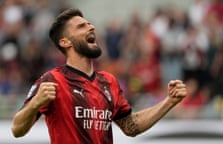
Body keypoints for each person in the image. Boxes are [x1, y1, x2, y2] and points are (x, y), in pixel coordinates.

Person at [11, 8, 187, 144]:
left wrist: (168, 102)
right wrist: (35, 103)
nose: (91, 26)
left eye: (89, 24)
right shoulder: (53, 80)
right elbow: (16, 130)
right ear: (65, 42)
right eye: (81, 26)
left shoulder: (108, 82)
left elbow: (130, 126)